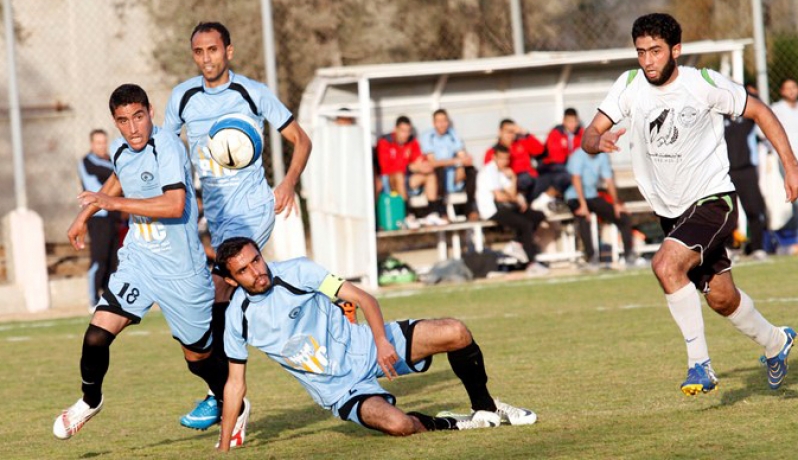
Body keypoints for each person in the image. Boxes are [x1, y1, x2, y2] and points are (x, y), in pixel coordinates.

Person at [582, 13, 798, 395]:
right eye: (640, 52)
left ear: (675, 51)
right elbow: (590, 133)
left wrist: (791, 166)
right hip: (671, 211)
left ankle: (699, 365)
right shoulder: (629, 85)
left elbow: (761, 111)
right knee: (720, 297)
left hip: (713, 198)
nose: (647, 60)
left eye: (655, 51)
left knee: (665, 265)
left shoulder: (703, 84)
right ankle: (776, 342)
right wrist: (596, 142)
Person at [53, 84, 247, 448]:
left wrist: (111, 202)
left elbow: (175, 205)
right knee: (96, 335)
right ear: (115, 122)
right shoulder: (120, 147)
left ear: (150, 112)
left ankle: (232, 399)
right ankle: (90, 400)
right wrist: (85, 214)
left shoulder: (169, 147)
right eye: (123, 121)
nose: (133, 128)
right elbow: (118, 177)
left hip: (182, 273)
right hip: (140, 261)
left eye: (138, 117)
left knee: (198, 358)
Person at [213, 236, 536, 452]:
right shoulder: (238, 318)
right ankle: (452, 423)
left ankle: (485, 408)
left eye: (257, 260)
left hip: (367, 346)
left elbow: (363, 298)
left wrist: (381, 342)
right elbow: (234, 385)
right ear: (231, 280)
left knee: (455, 331)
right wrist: (225, 448)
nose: (257, 271)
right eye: (244, 270)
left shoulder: (298, 270)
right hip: (341, 389)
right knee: (399, 425)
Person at [163, 21, 312, 430]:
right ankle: (310, 309)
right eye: (199, 52)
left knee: (218, 290)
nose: (207, 58)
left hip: (251, 210)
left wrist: (287, 182)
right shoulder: (183, 97)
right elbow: (163, 149)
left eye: (213, 49)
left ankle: (225, 395)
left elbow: (301, 139)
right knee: (222, 300)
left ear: (228, 51)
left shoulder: (252, 92)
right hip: (215, 216)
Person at [476, 145, 549, 275]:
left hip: (504, 207)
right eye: (501, 158)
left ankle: (517, 244)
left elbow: (511, 192)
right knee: (526, 224)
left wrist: (514, 178)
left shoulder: (501, 172)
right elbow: (499, 197)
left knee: (537, 216)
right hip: (491, 211)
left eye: (506, 159)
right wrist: (516, 200)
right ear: (494, 157)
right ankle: (531, 263)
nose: (504, 162)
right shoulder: (489, 171)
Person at [564, 148, 641, 269]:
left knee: (623, 217)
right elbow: (576, 179)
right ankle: (591, 258)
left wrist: (616, 203)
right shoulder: (577, 156)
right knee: (584, 218)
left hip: (592, 196)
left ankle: (629, 256)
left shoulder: (602, 156)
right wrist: (583, 205)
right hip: (575, 196)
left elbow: (608, 180)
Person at [78, 129, 122, 309]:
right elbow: (109, 178)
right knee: (99, 258)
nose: (102, 146)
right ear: (91, 144)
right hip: (98, 217)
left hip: (114, 215)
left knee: (113, 259)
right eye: (98, 142)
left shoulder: (111, 160)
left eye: (104, 142)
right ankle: (93, 300)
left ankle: (108, 298)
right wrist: (119, 171)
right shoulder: (87, 162)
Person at [723, 84, 768, 260]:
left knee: (755, 208)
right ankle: (729, 248)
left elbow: (761, 108)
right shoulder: (718, 115)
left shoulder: (746, 116)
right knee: (727, 212)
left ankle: (758, 248)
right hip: (725, 171)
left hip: (746, 169)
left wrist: (746, 91)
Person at [376, 115, 446, 227]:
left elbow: (418, 159)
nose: (406, 134)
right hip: (390, 181)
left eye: (408, 131)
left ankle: (432, 212)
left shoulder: (412, 142)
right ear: (396, 130)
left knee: (430, 176)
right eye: (403, 131)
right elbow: (386, 168)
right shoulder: (385, 142)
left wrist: (424, 166)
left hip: (407, 178)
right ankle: (407, 214)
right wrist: (409, 166)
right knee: (399, 176)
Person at [420, 109, 478, 220]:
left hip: (454, 174)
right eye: (439, 121)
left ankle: (470, 209)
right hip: (439, 175)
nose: (442, 124)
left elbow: (463, 156)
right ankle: (441, 212)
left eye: (444, 120)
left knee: (472, 171)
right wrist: (457, 162)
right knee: (439, 170)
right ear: (434, 123)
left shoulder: (452, 134)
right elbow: (433, 162)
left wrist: (461, 165)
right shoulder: (428, 137)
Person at [541, 108, 584, 194]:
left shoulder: (581, 133)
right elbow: (555, 156)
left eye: (575, 121)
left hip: (575, 164)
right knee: (567, 175)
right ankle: (547, 197)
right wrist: (570, 155)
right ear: (564, 121)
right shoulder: (555, 133)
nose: (573, 125)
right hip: (555, 164)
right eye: (570, 122)